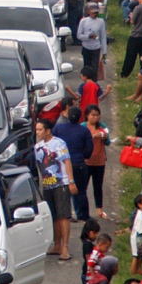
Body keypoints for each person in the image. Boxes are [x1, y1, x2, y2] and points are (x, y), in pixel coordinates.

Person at [34, 118, 76, 261]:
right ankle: (57, 244)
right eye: (36, 129)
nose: (37, 132)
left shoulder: (59, 143)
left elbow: (67, 161)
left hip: (61, 183)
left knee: (63, 215)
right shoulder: (37, 147)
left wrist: (70, 181)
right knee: (53, 216)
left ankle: (65, 246)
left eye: (40, 129)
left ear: (47, 130)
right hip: (47, 185)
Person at [54, 107, 94, 222]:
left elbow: (53, 142)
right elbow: (89, 149)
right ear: (80, 117)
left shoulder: (58, 128)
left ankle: (66, 215)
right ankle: (84, 216)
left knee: (63, 191)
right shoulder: (84, 131)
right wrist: (84, 156)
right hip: (78, 164)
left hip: (62, 165)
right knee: (81, 191)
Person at [85, 105, 110, 219]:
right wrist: (93, 136)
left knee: (98, 186)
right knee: (83, 186)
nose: (95, 118)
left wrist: (104, 136)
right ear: (87, 116)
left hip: (99, 161)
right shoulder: (83, 127)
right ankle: (83, 210)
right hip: (86, 161)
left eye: (97, 115)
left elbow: (108, 142)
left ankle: (99, 210)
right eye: (92, 115)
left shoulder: (102, 126)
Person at [78, 3, 108, 74]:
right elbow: (79, 35)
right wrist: (88, 37)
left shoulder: (101, 22)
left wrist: (104, 51)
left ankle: (94, 83)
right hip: (86, 47)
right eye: (93, 12)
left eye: (96, 12)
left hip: (96, 48)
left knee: (95, 68)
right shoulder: (83, 21)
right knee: (87, 68)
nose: (95, 14)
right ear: (88, 11)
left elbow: (103, 37)